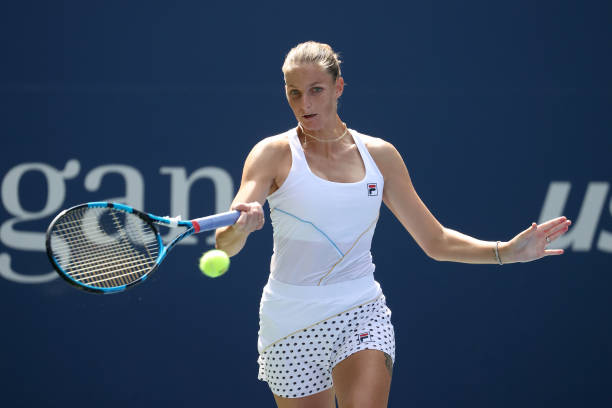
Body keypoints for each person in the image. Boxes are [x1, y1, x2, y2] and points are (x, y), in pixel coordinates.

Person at [214, 41, 571, 408]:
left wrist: (506, 252)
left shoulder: (380, 156)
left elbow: (435, 241)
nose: (305, 104)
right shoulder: (272, 153)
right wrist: (240, 228)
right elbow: (225, 244)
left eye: (316, 90)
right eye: (294, 93)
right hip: (289, 319)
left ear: (338, 88)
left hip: (359, 308)